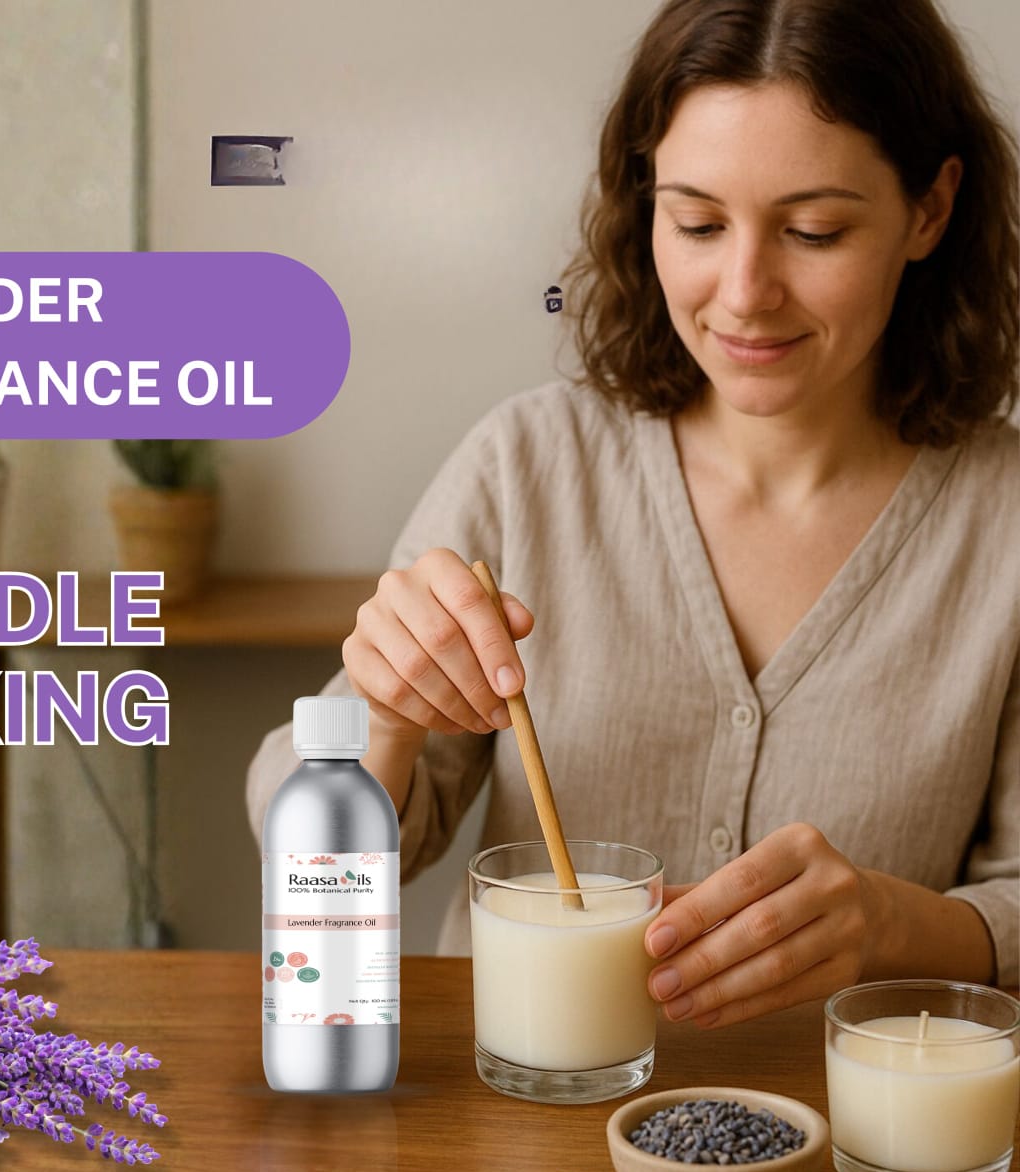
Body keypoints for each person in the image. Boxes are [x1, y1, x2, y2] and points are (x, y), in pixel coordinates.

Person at [247, 0, 1019, 1026]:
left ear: (929, 209)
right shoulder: (527, 466)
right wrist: (381, 723)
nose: (743, 292)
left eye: (813, 231)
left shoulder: (1002, 519)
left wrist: (896, 926)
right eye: (696, 223)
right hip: (519, 1100)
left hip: (847, 1114)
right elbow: (300, 851)